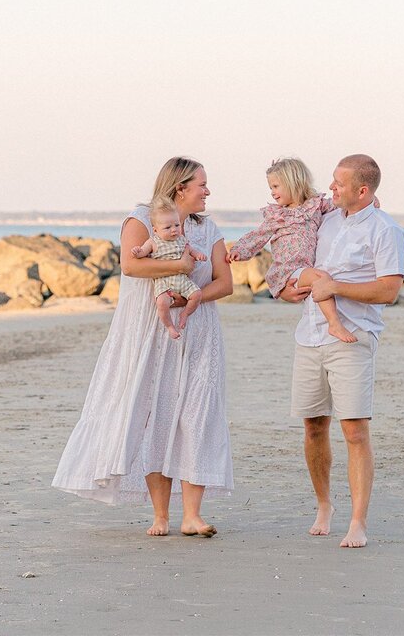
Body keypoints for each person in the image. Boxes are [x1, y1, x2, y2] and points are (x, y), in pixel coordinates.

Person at [52, 157, 234, 537]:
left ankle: (192, 516)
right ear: (180, 187)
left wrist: (186, 299)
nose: (207, 191)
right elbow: (132, 267)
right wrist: (181, 269)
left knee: (196, 416)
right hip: (148, 333)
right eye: (202, 184)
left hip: (198, 333)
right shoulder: (141, 218)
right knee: (155, 417)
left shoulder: (208, 228)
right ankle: (161, 516)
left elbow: (225, 282)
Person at [280, 154, 404, 549]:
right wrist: (289, 289)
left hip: (353, 336)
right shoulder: (325, 220)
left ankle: (357, 522)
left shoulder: (385, 230)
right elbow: (297, 264)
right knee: (313, 425)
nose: (330, 188)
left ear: (363, 190)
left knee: (354, 430)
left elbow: (389, 290)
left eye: (338, 183)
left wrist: (336, 288)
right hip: (309, 335)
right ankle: (324, 506)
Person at [226, 156, 357, 343]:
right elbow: (258, 235)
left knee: (319, 278)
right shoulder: (278, 215)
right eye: (271, 188)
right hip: (288, 269)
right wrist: (240, 250)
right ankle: (334, 324)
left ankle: (330, 321)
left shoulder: (316, 205)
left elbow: (342, 206)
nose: (272, 192)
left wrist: (369, 201)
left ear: (292, 182)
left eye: (276, 187)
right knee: (321, 279)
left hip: (305, 267)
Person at [131, 196, 207, 339]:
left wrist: (198, 255)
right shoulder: (153, 242)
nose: (174, 230)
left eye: (177, 225)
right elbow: (142, 253)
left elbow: (190, 250)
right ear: (155, 230)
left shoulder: (182, 239)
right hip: (164, 282)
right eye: (167, 227)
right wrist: (137, 252)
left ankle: (185, 314)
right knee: (161, 303)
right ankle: (170, 326)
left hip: (182, 280)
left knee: (197, 295)